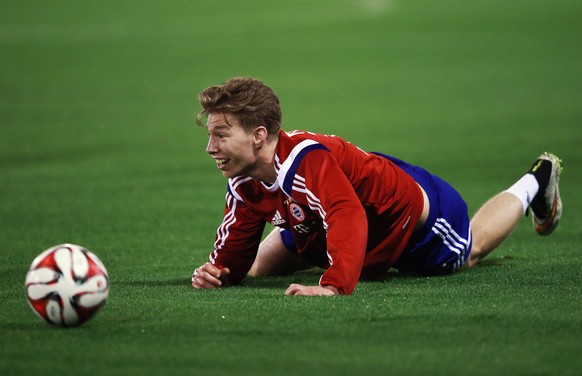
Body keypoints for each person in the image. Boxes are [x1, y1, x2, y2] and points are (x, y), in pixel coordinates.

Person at [191, 77, 563, 296]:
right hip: (325, 213)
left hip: (407, 220)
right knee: (257, 269)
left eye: (221, 135)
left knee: (470, 252)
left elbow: (346, 213)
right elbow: (236, 251)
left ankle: (534, 182)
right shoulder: (245, 177)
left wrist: (334, 285)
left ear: (259, 136)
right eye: (210, 136)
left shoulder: (308, 161)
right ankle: (343, 257)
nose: (211, 148)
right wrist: (219, 270)